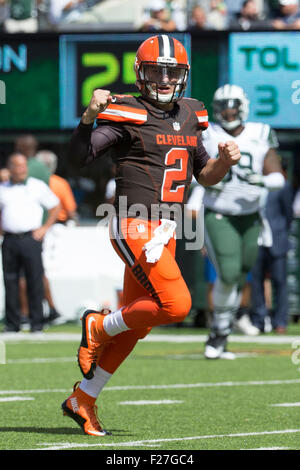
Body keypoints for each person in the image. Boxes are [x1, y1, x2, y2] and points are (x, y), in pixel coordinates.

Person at [61, 34, 241, 436]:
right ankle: (97, 326)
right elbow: (79, 158)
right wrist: (89, 116)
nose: (163, 78)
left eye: (171, 71)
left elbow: (204, 175)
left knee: (138, 322)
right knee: (177, 305)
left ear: (184, 76)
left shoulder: (194, 113)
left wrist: (224, 163)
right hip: (133, 221)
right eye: (156, 71)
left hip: (167, 230)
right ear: (140, 74)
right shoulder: (128, 111)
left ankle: (83, 398)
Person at [201, 83, 285, 359]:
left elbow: (278, 177)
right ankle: (218, 332)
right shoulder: (207, 133)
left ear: (242, 107)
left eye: (232, 106)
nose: (227, 112)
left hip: (250, 217)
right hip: (219, 213)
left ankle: (223, 331)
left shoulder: (261, 133)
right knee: (227, 273)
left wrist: (260, 180)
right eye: (222, 107)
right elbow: (195, 172)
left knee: (240, 274)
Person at [0, 153, 60, 333]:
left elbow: (55, 206)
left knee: (35, 279)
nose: (22, 169)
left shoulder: (36, 186)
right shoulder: (3, 187)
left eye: (24, 165)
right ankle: (13, 323)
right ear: (9, 167)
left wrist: (44, 228)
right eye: (18, 166)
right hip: (9, 239)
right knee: (10, 281)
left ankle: (37, 323)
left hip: (30, 238)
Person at [250, 165, 294, 334]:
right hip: (257, 239)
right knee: (256, 282)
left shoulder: (282, 187)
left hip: (276, 240)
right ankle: (259, 320)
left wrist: (281, 232)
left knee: (279, 281)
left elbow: (288, 213)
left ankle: (280, 321)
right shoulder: (253, 184)